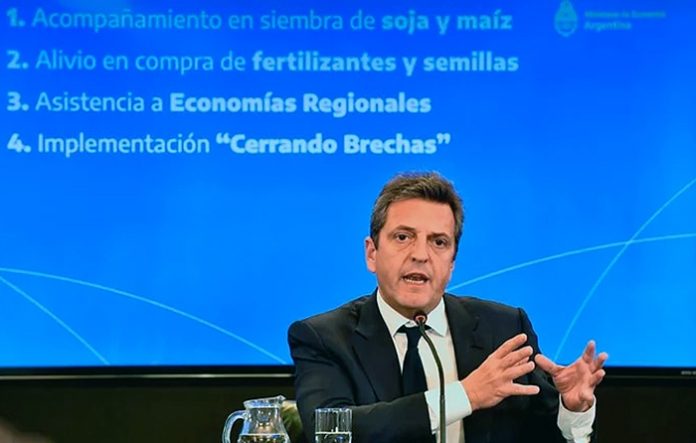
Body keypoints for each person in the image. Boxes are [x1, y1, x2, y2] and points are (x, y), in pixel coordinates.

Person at [288, 172, 608, 443]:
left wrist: (572, 409)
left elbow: (544, 435)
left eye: (438, 242)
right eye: (403, 237)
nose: (420, 255)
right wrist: (466, 395)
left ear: (452, 263)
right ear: (372, 253)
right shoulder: (324, 337)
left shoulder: (504, 329)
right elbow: (329, 429)